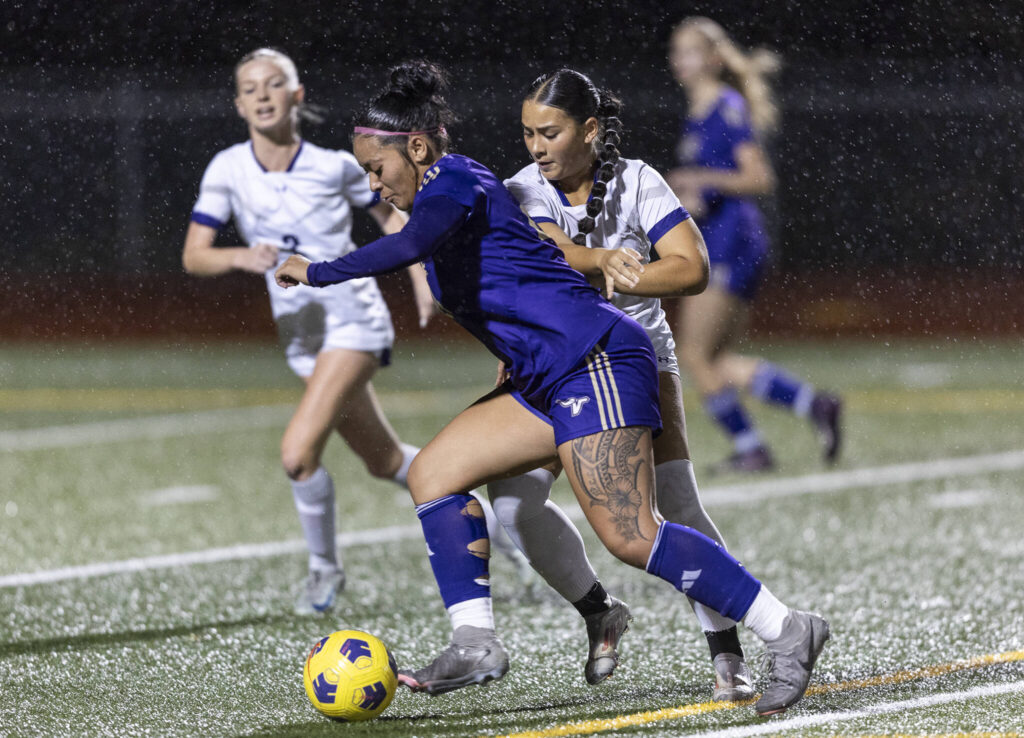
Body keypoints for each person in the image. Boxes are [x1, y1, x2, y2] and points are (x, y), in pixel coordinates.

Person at [276, 60, 830, 717]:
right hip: (546, 374)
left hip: (595, 357)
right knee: (433, 474)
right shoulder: (468, 189)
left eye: (377, 169)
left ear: (418, 149)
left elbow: (411, 245)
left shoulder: (454, 180)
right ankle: (477, 641)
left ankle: (785, 628)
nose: (374, 184)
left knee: (631, 532)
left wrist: (317, 270)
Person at [182, 48, 531, 616]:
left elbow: (399, 214)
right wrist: (245, 257)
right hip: (301, 335)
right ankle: (495, 530)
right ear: (239, 103)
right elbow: (195, 256)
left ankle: (323, 573)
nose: (263, 94)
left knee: (297, 454)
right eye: (250, 88)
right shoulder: (227, 168)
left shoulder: (337, 165)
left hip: (354, 322)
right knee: (385, 459)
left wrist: (424, 275)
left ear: (297, 96)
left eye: (275, 84)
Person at [489, 68, 752, 702]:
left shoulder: (637, 181)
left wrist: (616, 278)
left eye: (549, 132)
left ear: (590, 130)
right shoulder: (520, 191)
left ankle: (729, 650)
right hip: (549, 364)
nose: (536, 147)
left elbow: (692, 268)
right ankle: (598, 610)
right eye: (527, 133)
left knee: (675, 508)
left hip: (634, 361)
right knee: (510, 503)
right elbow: (538, 264)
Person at [666, 17, 843, 473]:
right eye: (676, 51)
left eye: (688, 50)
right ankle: (814, 405)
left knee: (694, 354)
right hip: (728, 238)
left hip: (732, 241)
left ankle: (751, 448)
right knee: (717, 359)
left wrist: (696, 180)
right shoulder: (703, 110)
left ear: (712, 58)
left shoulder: (723, 106)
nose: (678, 60)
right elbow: (714, 183)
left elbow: (758, 177)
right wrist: (693, 193)